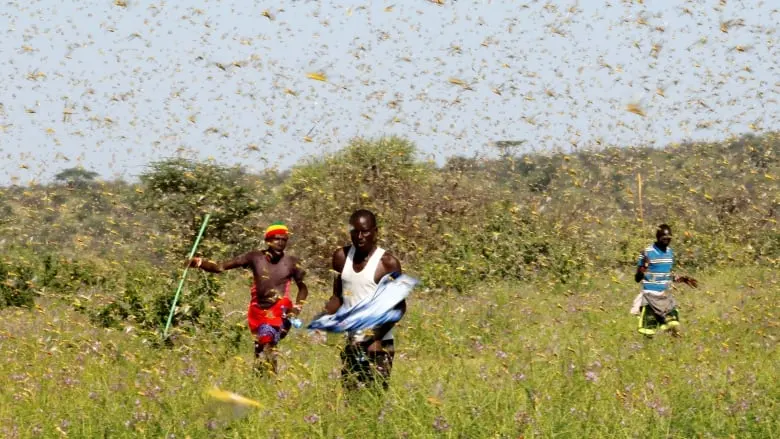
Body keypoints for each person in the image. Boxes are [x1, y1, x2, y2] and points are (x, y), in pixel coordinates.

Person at [189, 222, 308, 373]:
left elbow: (303, 289)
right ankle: (260, 383)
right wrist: (199, 263)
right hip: (257, 310)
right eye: (276, 239)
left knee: (268, 342)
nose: (280, 243)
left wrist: (296, 309)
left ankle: (271, 382)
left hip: (280, 310)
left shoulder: (292, 263)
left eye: (284, 240)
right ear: (268, 241)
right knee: (259, 349)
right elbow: (220, 267)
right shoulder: (255, 257)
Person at [324, 209, 406, 390]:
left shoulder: (388, 263)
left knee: (374, 403)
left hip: (378, 346)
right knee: (350, 401)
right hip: (352, 344)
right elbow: (337, 297)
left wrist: (372, 336)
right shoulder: (341, 257)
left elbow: (399, 308)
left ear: (375, 232)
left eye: (365, 231)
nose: (360, 236)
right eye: (355, 231)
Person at [630, 224, 698, 336]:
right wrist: (644, 267)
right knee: (648, 332)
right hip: (650, 296)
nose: (667, 241)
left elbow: (666, 275)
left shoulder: (669, 253)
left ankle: (675, 350)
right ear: (658, 237)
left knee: (673, 326)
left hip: (664, 295)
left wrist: (682, 279)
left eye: (669, 239)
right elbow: (637, 278)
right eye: (664, 239)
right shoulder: (647, 252)